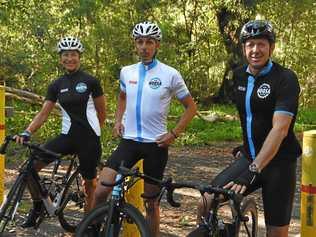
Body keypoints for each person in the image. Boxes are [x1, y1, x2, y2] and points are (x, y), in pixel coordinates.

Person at [189, 20, 301, 237]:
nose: (255, 50)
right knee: (207, 201)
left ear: (271, 47)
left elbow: (280, 129)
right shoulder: (239, 75)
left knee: (276, 233)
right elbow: (252, 116)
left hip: (279, 163)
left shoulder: (285, 79)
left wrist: (254, 169)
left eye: (261, 44)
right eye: (250, 45)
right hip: (250, 157)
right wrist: (248, 145)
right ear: (243, 48)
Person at [93, 21, 197, 237]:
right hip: (129, 142)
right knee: (101, 189)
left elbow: (191, 107)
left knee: (150, 204)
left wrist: (174, 134)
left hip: (155, 145)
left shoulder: (170, 74)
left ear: (157, 45)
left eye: (149, 42)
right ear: (135, 44)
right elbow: (122, 97)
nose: (144, 46)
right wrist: (117, 120)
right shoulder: (126, 72)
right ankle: (93, 230)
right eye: (140, 42)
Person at [15, 36, 106, 228]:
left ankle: (88, 226)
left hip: (89, 140)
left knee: (90, 186)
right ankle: (38, 205)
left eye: (73, 54)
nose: (69, 59)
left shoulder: (91, 81)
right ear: (60, 58)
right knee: (28, 168)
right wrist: (27, 132)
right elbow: (43, 113)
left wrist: (96, 133)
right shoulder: (56, 85)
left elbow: (102, 112)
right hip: (67, 137)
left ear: (79, 57)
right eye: (66, 55)